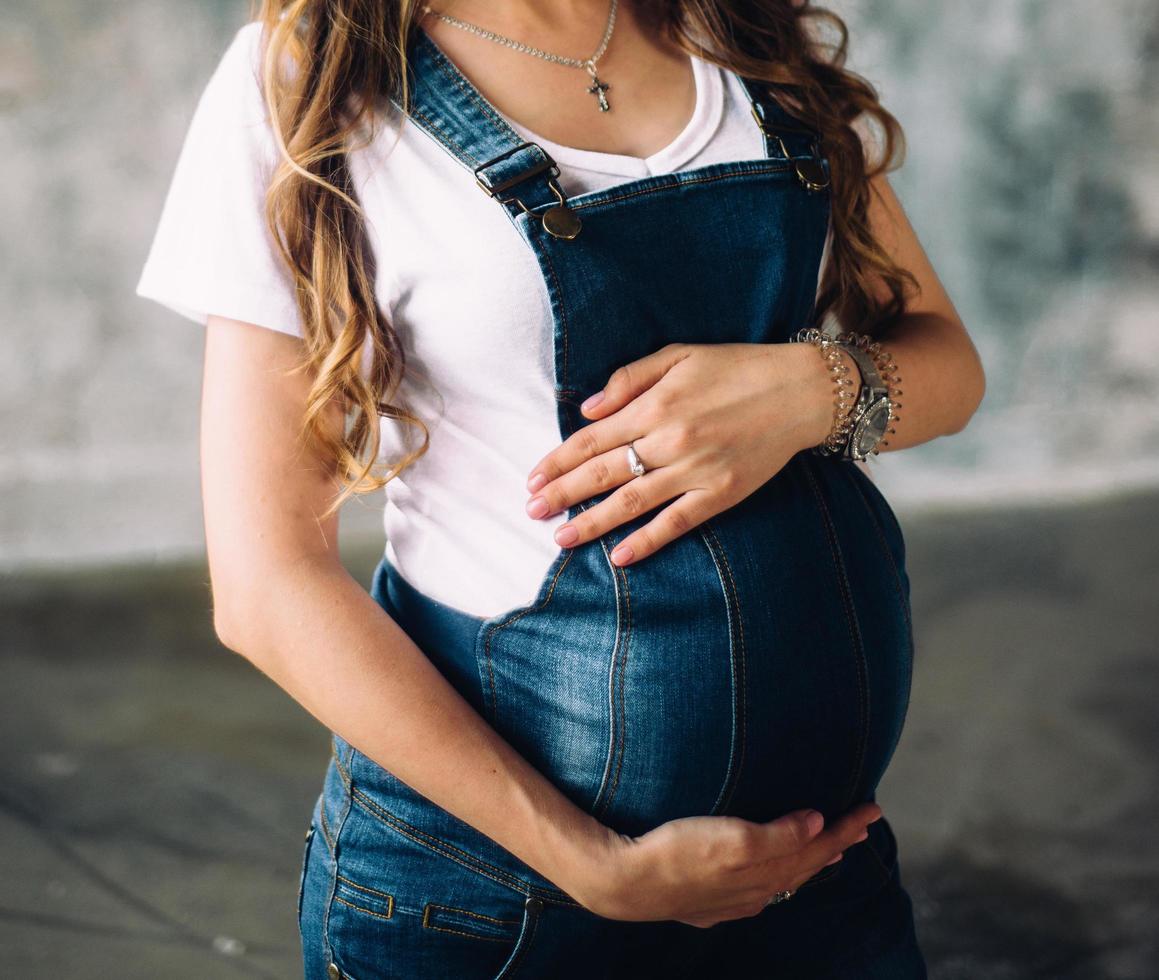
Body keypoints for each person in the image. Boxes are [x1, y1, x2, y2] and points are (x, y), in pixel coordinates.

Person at [136, 1, 985, 976]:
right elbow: (266, 586)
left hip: (816, 886)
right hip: (501, 901)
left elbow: (950, 371)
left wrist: (812, 387)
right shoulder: (309, 77)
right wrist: (594, 865)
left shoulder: (742, 29)